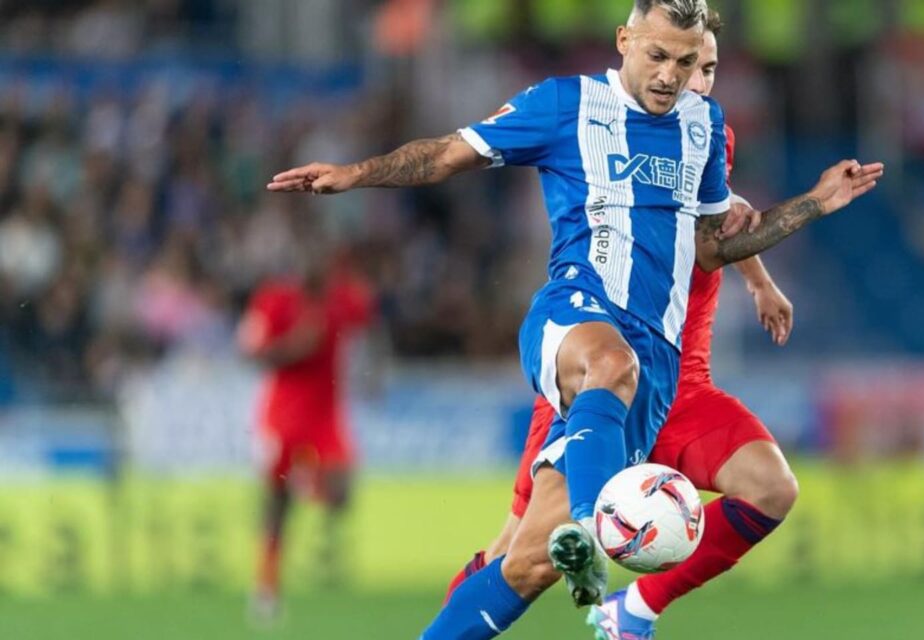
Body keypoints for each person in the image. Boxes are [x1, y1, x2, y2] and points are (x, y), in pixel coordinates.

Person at [267, 1, 883, 636]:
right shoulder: (564, 105)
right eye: (658, 56)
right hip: (574, 317)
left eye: (688, 61)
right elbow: (452, 153)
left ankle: (581, 573)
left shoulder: (703, 126)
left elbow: (711, 243)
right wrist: (354, 174)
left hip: (653, 371)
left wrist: (812, 204)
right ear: (624, 41)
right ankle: (595, 530)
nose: (673, 75)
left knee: (525, 565)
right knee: (611, 364)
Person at [442, 13, 804, 640]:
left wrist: (761, 281)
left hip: (679, 385)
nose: (691, 81)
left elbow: (723, 225)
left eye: (705, 69)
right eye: (680, 63)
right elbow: (715, 236)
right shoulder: (612, 129)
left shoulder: (702, 139)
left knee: (772, 487)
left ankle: (633, 607)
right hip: (604, 375)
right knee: (521, 556)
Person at [237, 244, 373, 622]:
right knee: (276, 505)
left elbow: (368, 324)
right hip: (282, 416)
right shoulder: (274, 300)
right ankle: (266, 588)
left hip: (325, 417)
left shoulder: (341, 297)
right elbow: (249, 350)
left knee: (341, 492)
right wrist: (293, 346)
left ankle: (305, 479)